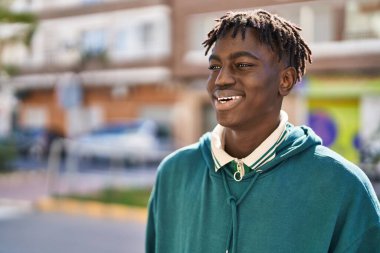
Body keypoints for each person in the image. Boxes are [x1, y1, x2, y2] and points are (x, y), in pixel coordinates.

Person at [146, 9, 380, 253]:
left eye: (243, 64)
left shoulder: (342, 185)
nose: (221, 80)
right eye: (215, 66)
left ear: (285, 80)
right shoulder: (174, 173)